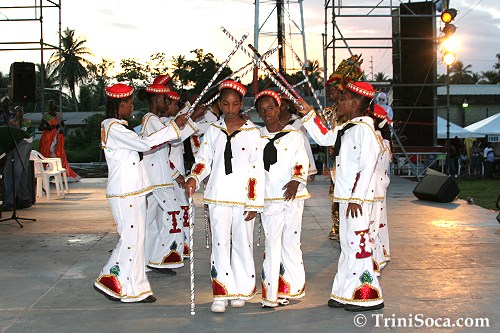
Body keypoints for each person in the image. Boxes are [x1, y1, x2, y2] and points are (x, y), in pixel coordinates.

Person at [94, 83, 188, 303]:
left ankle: (135, 288)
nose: (132, 107)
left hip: (134, 191)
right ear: (121, 104)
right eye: (130, 103)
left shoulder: (118, 126)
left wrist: (173, 128)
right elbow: (144, 143)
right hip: (124, 193)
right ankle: (109, 278)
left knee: (137, 239)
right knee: (130, 239)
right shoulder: (113, 127)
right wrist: (173, 129)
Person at [298, 80, 384, 311]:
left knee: (359, 247)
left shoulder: (365, 130)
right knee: (347, 246)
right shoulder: (349, 127)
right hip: (346, 198)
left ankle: (367, 296)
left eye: (343, 98)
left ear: (355, 103)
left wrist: (356, 198)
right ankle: (345, 293)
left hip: (357, 201)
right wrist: (309, 115)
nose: (339, 101)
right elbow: (325, 137)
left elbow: (367, 166)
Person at [185, 80, 264, 313]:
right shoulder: (212, 131)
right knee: (220, 244)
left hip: (243, 198)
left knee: (242, 243)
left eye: (235, 104)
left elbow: (256, 170)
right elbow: (203, 161)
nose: (230, 109)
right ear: (220, 104)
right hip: (218, 195)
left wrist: (254, 202)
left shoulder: (252, 133)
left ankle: (240, 289)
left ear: (241, 105)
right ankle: (221, 292)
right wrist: (194, 178)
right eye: (225, 104)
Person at [256, 90, 310, 308]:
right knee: (271, 243)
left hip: (292, 196)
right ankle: (270, 293)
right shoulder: (256, 137)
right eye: (262, 110)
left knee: (290, 242)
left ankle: (289, 288)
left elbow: (300, 160)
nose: (267, 113)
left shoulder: (294, 135)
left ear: (279, 108)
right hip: (269, 197)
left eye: (270, 108)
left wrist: (297, 180)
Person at [138, 83, 197, 275]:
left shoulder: (155, 120)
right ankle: (162, 258)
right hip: (156, 179)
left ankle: (148, 260)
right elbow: (171, 137)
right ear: (156, 100)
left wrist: (183, 121)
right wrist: (189, 119)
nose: (167, 103)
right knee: (174, 215)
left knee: (150, 221)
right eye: (165, 99)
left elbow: (172, 137)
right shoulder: (150, 120)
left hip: (160, 177)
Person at [323, 55, 364, 241]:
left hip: (349, 164)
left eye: (332, 90)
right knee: (334, 195)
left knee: (344, 195)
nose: (329, 93)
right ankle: (337, 226)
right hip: (335, 162)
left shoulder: (352, 117)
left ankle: (347, 228)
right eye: (327, 90)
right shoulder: (330, 112)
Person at [1, 96, 33, 210]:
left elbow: (1, 155)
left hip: (22, 142)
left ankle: (9, 203)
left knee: (12, 172)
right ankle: (24, 199)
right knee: (16, 172)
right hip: (17, 143)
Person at [38, 100, 81, 182]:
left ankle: (59, 173)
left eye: (52, 104)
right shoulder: (46, 116)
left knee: (58, 154)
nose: (51, 106)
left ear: (55, 105)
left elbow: (62, 126)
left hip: (57, 136)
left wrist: (61, 128)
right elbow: (40, 128)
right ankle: (45, 173)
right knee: (46, 154)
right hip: (47, 137)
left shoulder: (59, 115)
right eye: (49, 104)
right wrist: (48, 128)